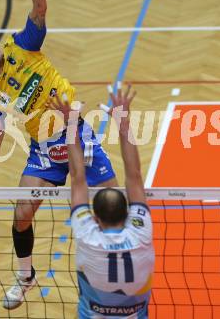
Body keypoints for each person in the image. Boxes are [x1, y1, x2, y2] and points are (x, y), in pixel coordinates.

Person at [0, 0, 118, 310]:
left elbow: (39, 7)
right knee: (21, 215)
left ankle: (113, 267)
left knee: (113, 201)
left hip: (76, 131)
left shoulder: (22, 47)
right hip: (45, 151)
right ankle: (25, 275)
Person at [51, 85, 155, 318]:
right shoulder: (141, 231)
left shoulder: (88, 236)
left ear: (95, 218)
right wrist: (123, 122)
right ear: (128, 213)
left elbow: (77, 177)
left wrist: (70, 126)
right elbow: (135, 175)